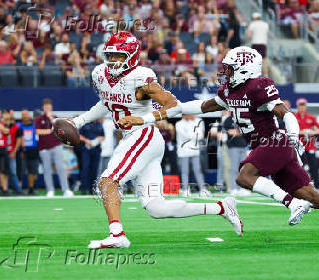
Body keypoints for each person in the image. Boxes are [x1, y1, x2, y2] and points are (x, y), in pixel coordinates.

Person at [150, 46, 319, 242]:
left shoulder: (258, 86)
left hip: (275, 143)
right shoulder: (228, 90)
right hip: (265, 147)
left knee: (244, 177)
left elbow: (287, 114)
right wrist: (175, 109)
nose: (225, 74)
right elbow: (203, 106)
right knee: (313, 197)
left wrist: (294, 140)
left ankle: (291, 203)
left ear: (244, 70)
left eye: (230, 69)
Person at [69, 31, 242, 249]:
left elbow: (173, 104)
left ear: (131, 56)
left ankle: (117, 234)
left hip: (143, 135)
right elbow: (107, 102)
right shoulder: (99, 74)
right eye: (111, 55)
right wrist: (79, 121)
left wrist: (142, 119)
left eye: (119, 56)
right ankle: (222, 207)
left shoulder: (140, 77)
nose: (113, 61)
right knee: (156, 208)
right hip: (137, 139)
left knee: (108, 181)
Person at [35, 98, 74, 197]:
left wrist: (51, 118)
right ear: (43, 108)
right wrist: (48, 131)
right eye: (45, 107)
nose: (47, 108)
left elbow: (58, 129)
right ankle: (50, 190)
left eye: (49, 107)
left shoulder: (55, 118)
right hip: (44, 148)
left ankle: (66, 189)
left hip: (56, 146)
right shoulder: (39, 119)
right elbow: (38, 131)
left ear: (51, 107)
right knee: (47, 169)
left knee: (61, 168)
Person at [175, 114, 209, 196]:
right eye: (187, 114)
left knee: (198, 170)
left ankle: (202, 189)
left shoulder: (195, 122)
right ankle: (185, 189)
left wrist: (193, 136)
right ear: (183, 115)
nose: (190, 115)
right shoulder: (178, 124)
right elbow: (184, 136)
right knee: (185, 171)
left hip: (195, 151)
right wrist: (194, 136)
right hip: (184, 151)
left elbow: (200, 136)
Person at [295, 98, 319, 189]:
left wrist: (312, 132)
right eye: (300, 105)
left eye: (303, 105)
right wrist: (302, 132)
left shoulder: (311, 117)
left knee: (314, 166)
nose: (302, 107)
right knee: (299, 167)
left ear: (306, 106)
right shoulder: (294, 117)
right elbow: (289, 130)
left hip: (310, 146)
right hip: (299, 146)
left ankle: (317, 185)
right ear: (297, 106)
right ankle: (301, 185)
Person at [223, 113, 250, 195]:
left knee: (242, 169)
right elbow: (229, 131)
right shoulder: (228, 120)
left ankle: (241, 188)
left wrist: (238, 132)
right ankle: (233, 188)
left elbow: (247, 131)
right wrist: (239, 132)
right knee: (234, 168)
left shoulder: (243, 119)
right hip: (233, 146)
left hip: (243, 146)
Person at [79, 119, 105, 195]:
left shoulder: (99, 125)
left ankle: (92, 189)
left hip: (96, 149)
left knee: (95, 169)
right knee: (85, 168)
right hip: (86, 149)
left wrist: (97, 140)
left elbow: (103, 136)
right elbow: (79, 135)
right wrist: (86, 140)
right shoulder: (84, 124)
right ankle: (84, 188)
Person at [18, 109, 39, 195]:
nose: (25, 116)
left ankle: (31, 188)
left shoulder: (35, 125)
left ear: (29, 115)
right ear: (21, 116)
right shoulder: (18, 126)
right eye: (23, 115)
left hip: (34, 151)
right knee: (21, 171)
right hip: (22, 152)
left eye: (26, 114)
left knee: (32, 172)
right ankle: (19, 189)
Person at [3, 110, 23, 194]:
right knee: (3, 172)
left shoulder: (16, 127)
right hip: (2, 152)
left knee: (13, 172)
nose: (7, 120)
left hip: (11, 151)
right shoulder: (1, 126)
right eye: (6, 119)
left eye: (9, 119)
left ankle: (18, 189)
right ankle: (4, 189)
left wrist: (14, 152)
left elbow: (19, 141)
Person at [246, 12, 269, 77]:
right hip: (263, 44)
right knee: (264, 60)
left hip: (255, 43)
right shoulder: (265, 24)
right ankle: (266, 75)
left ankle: (255, 75)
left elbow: (249, 35)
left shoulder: (252, 24)